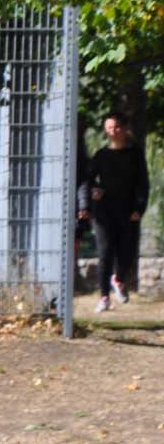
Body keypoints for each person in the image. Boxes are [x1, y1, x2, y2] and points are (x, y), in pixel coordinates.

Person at [80, 111, 150, 312]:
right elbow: (88, 180)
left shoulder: (135, 154)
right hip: (104, 213)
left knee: (127, 252)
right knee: (105, 252)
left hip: (128, 212)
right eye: (109, 128)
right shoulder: (101, 155)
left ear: (125, 128)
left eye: (117, 127)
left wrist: (139, 208)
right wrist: (90, 198)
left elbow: (142, 183)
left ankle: (118, 279)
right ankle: (103, 297)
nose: (113, 131)